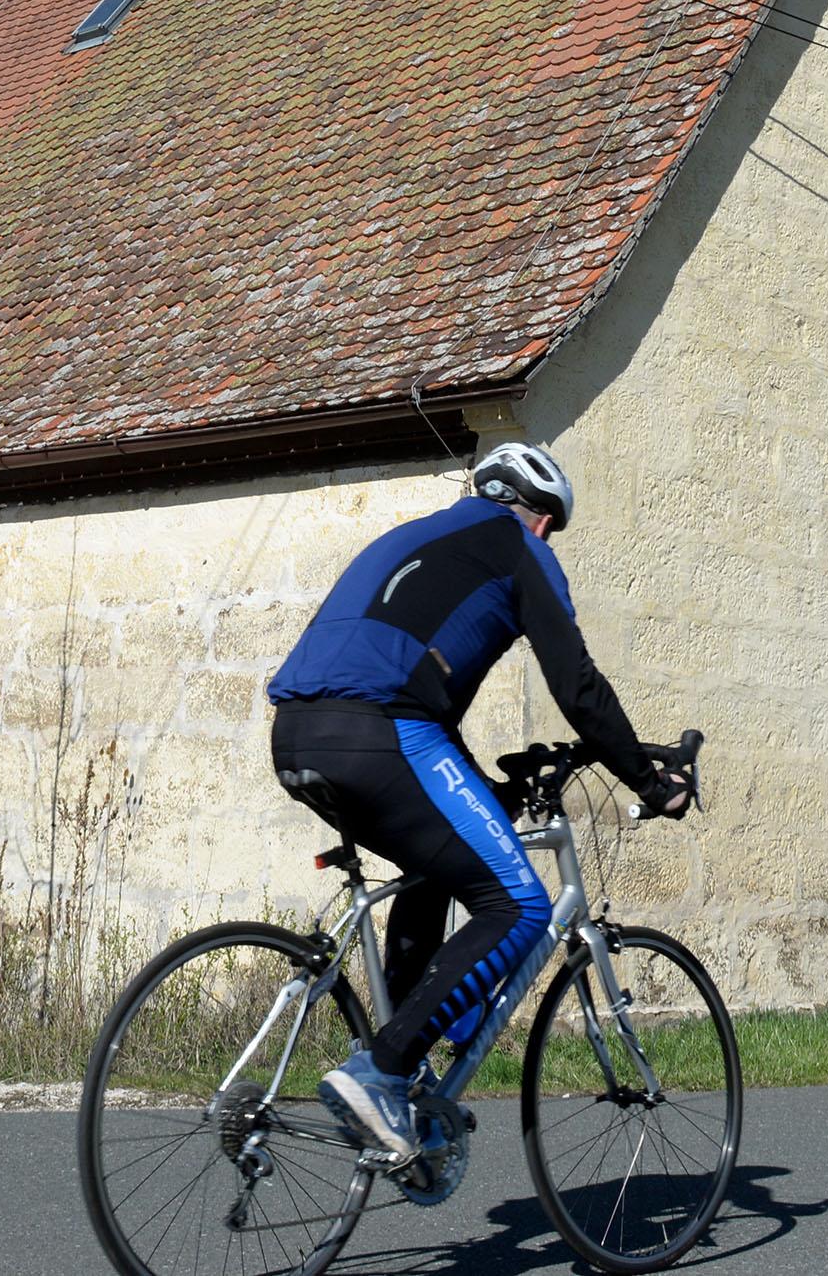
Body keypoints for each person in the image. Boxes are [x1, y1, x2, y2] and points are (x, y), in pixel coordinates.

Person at [265, 440, 690, 1160]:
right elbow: (578, 686)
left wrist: (490, 792)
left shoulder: (416, 538)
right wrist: (650, 783)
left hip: (297, 732)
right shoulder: (522, 550)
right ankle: (381, 1071)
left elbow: (415, 694)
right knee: (519, 906)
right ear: (543, 520)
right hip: (383, 731)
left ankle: (402, 1065)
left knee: (436, 868)